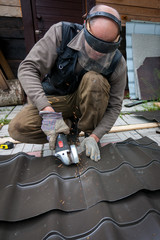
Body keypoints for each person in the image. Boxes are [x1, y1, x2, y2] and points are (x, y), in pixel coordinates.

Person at [8, 4, 127, 162]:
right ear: (85, 26)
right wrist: (48, 113)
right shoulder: (61, 33)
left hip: (89, 101)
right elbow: (28, 68)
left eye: (104, 49)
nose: (98, 53)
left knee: (94, 79)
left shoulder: (118, 62)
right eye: (93, 45)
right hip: (57, 100)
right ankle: (69, 126)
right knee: (17, 128)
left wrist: (95, 136)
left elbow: (115, 106)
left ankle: (87, 134)